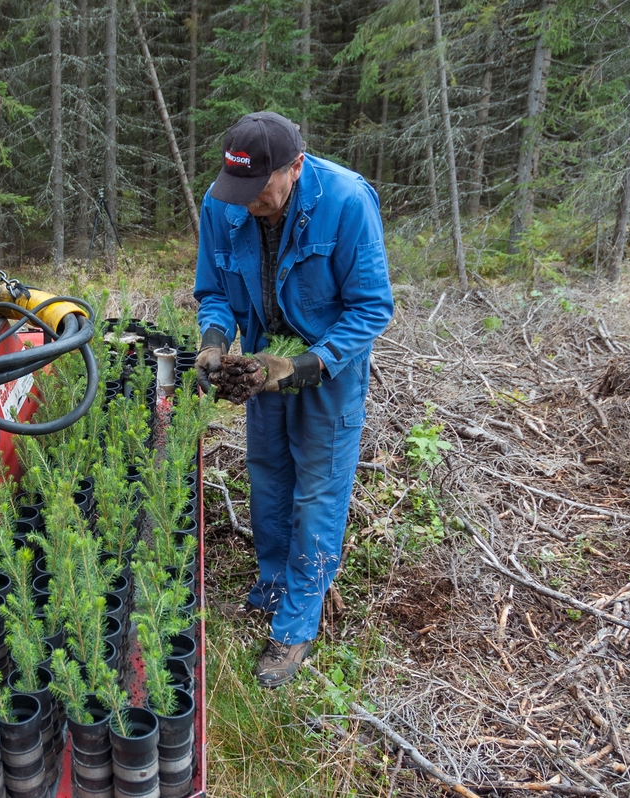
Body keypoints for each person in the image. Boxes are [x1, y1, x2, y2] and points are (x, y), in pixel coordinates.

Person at [194, 111, 394, 687]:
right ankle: (272, 587)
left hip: (329, 370)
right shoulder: (223, 202)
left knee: (318, 492)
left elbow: (372, 308)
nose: (248, 202)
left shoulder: (346, 201)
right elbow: (214, 291)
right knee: (269, 477)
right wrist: (214, 341)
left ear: (296, 167)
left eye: (260, 190)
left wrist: (308, 366)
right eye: (239, 191)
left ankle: (298, 623)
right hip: (261, 364)